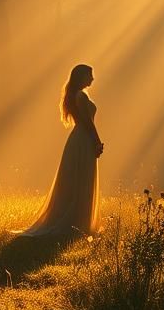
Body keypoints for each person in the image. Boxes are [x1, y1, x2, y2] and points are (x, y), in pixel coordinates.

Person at [18, 64, 103, 237]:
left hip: (81, 139)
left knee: (81, 179)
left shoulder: (78, 94)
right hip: (83, 140)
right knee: (82, 180)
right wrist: (97, 141)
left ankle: (79, 223)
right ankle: (77, 224)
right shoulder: (80, 95)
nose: (92, 78)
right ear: (81, 76)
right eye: (90, 75)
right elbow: (87, 122)